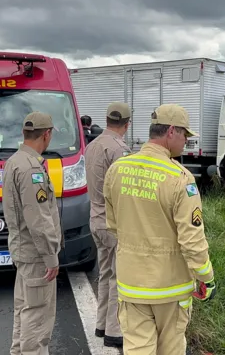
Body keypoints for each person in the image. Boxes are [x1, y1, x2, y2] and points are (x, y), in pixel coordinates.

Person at [103, 104, 216, 354]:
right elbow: (192, 240)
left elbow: (112, 224)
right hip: (171, 290)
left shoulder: (117, 170)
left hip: (131, 285)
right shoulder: (181, 178)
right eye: (185, 135)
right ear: (171, 131)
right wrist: (206, 278)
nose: (186, 141)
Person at [3, 111, 63, 355]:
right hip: (36, 253)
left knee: (24, 310)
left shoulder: (14, 161)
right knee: (37, 319)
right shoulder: (31, 170)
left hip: (23, 249)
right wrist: (51, 256)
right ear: (46, 134)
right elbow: (38, 220)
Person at [83, 102, 132, 348]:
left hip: (95, 218)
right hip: (113, 223)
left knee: (104, 273)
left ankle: (101, 324)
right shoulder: (120, 150)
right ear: (127, 124)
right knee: (117, 276)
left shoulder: (92, 145)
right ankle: (114, 331)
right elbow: (124, 191)